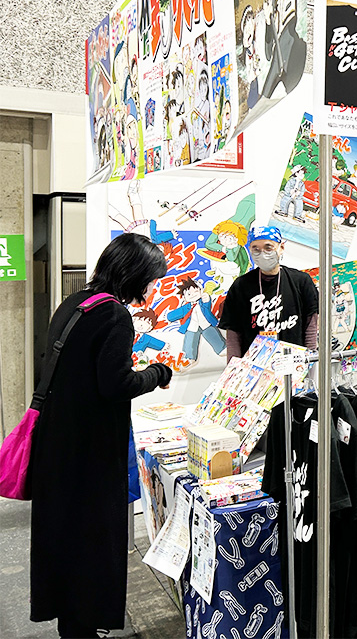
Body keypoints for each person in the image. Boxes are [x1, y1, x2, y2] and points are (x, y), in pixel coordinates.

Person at [30, 233, 173, 638]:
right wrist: (157, 373)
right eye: (151, 279)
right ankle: (84, 626)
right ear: (134, 273)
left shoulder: (76, 302)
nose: (152, 287)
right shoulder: (114, 315)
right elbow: (115, 385)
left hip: (59, 444)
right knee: (93, 542)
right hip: (90, 453)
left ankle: (72, 625)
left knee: (65, 538)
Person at [218, 226, 319, 362]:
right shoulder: (240, 286)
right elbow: (233, 335)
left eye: (268, 247)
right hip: (254, 366)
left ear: (281, 248)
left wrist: (309, 362)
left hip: (293, 363)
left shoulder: (301, 281)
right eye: (256, 249)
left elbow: (311, 326)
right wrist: (233, 368)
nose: (262, 254)